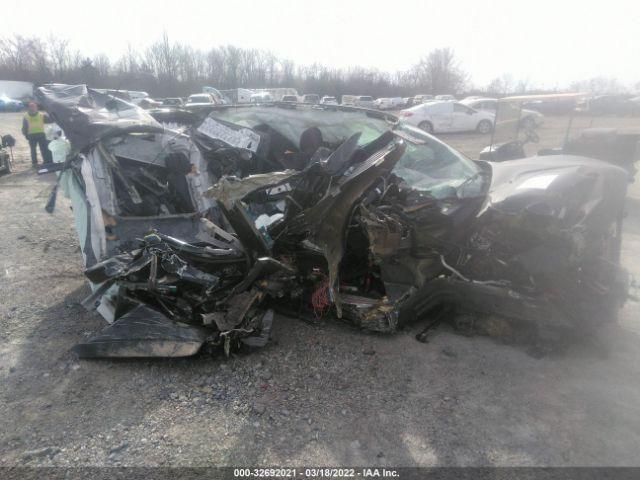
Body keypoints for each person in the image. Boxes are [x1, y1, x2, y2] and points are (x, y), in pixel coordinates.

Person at [22, 101, 52, 167]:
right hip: (40, 134)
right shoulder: (41, 115)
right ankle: (47, 161)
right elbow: (49, 120)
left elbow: (24, 127)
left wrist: (25, 134)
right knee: (43, 149)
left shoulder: (26, 116)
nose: (32, 108)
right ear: (37, 108)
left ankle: (34, 163)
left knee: (33, 150)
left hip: (31, 135)